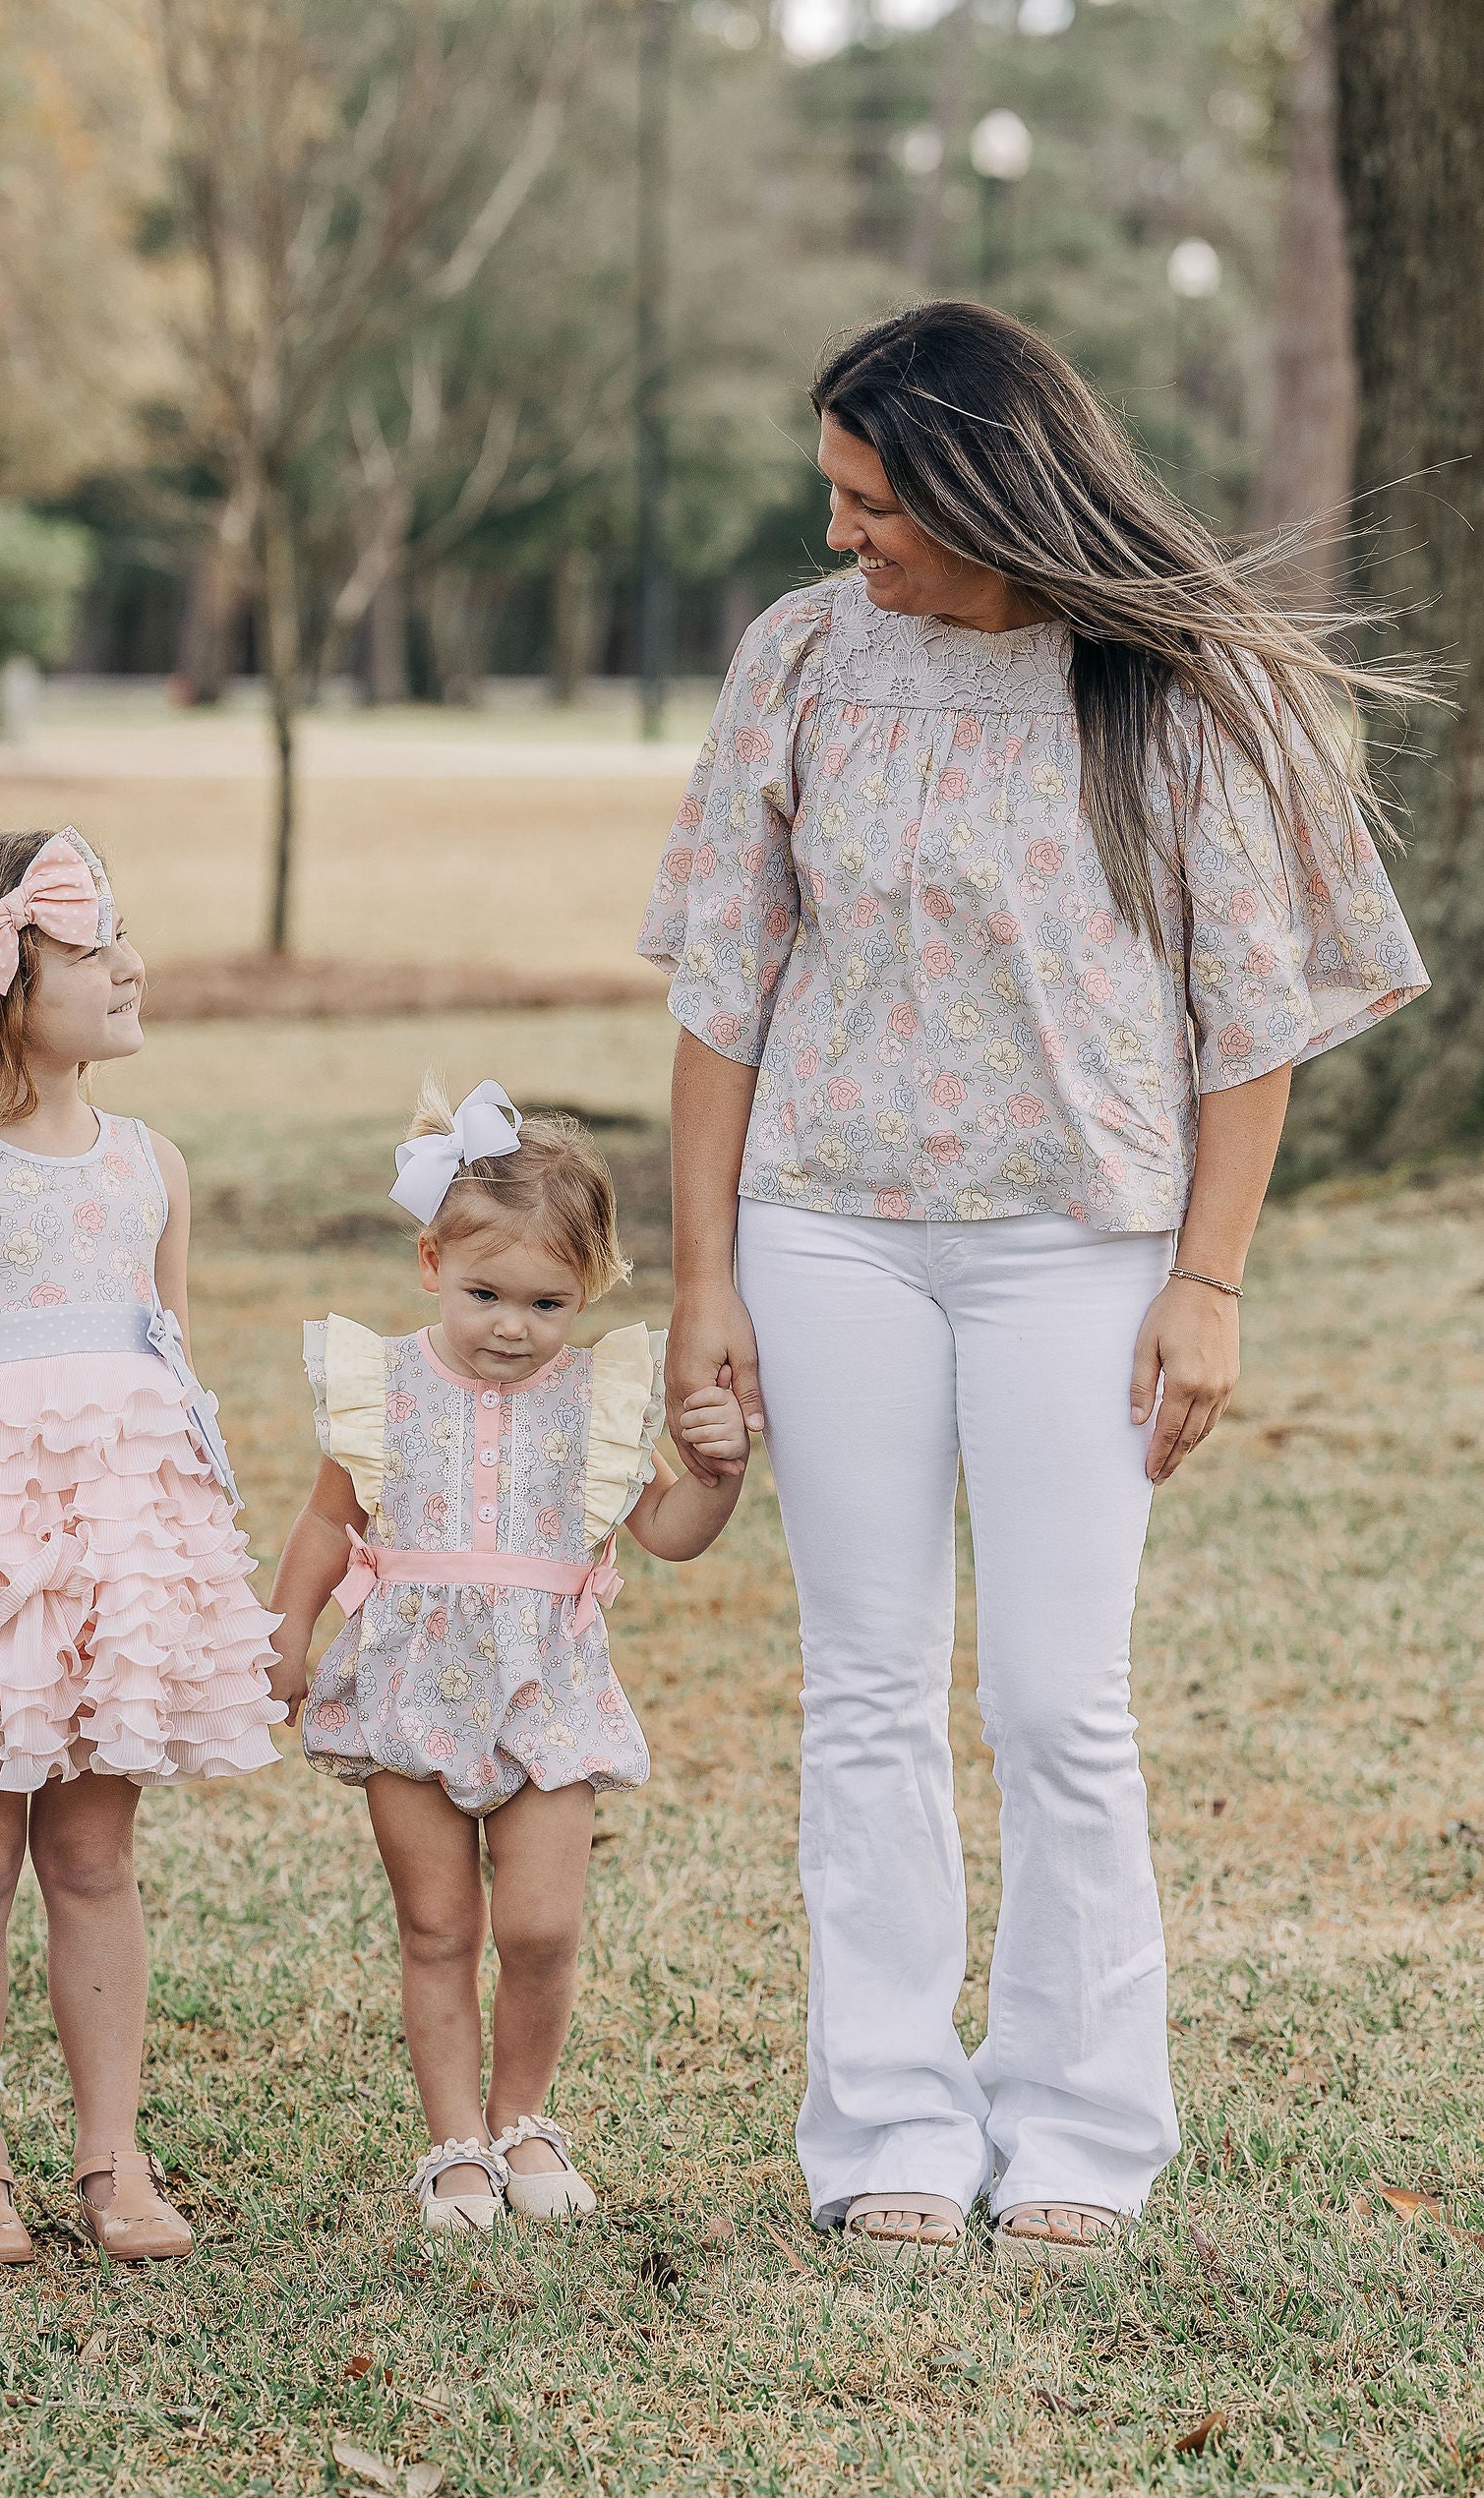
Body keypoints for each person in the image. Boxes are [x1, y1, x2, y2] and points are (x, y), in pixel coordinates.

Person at [638, 301, 1430, 2268]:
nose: (841, 537)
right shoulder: (803, 662)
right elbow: (721, 987)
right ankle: (888, 2114)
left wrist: (1208, 1280)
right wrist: (705, 1278)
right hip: (831, 1231)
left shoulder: (1156, 691)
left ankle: (1080, 2119)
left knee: (1059, 1703)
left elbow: (1244, 1018)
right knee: (866, 1693)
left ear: (987, 488)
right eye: (829, 495)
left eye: (870, 499)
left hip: (1077, 1248)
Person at [0, 824, 285, 2266]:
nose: (131, 963)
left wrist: (194, 1569)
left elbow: (168, 1370)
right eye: (93, 948)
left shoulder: (152, 1166)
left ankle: (112, 2158)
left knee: (94, 1857)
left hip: (114, 1572)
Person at [266, 1079, 749, 2231]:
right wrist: (285, 1635)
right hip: (405, 1688)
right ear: (430, 1262)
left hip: (549, 1696)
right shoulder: (382, 1388)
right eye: (484, 1291)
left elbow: (669, 1534)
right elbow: (328, 1524)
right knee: (437, 1925)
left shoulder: (597, 1401)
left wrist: (721, 1472)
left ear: (585, 1293)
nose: (511, 1325)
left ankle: (524, 2117)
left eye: (545, 1300)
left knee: (539, 1926)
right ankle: (455, 2145)